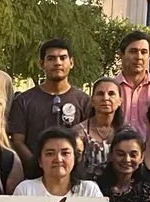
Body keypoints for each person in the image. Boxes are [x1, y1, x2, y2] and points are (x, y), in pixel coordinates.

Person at [8, 39, 91, 175]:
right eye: (51, 58)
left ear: (71, 62)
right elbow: (17, 141)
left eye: (62, 58)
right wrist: (38, 165)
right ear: (42, 63)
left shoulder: (83, 101)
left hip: (73, 177)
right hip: (34, 177)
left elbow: (88, 139)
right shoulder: (24, 101)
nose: (57, 62)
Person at [114, 30, 150, 142]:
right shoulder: (111, 90)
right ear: (121, 55)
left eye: (144, 52)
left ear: (149, 55)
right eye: (133, 51)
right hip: (118, 155)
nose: (139, 57)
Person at [76, 77, 124, 181]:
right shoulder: (78, 133)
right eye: (100, 94)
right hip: (85, 191)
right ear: (92, 101)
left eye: (111, 94)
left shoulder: (127, 132)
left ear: (120, 101)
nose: (106, 98)